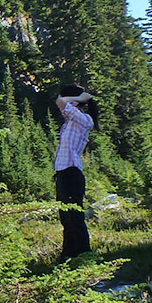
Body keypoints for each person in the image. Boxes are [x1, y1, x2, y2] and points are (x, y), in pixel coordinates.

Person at [54, 85, 95, 261]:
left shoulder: (84, 119)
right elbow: (61, 102)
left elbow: (60, 101)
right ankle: (68, 254)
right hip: (63, 174)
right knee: (65, 217)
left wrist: (81, 98)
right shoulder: (70, 120)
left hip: (72, 173)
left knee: (75, 216)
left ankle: (84, 254)